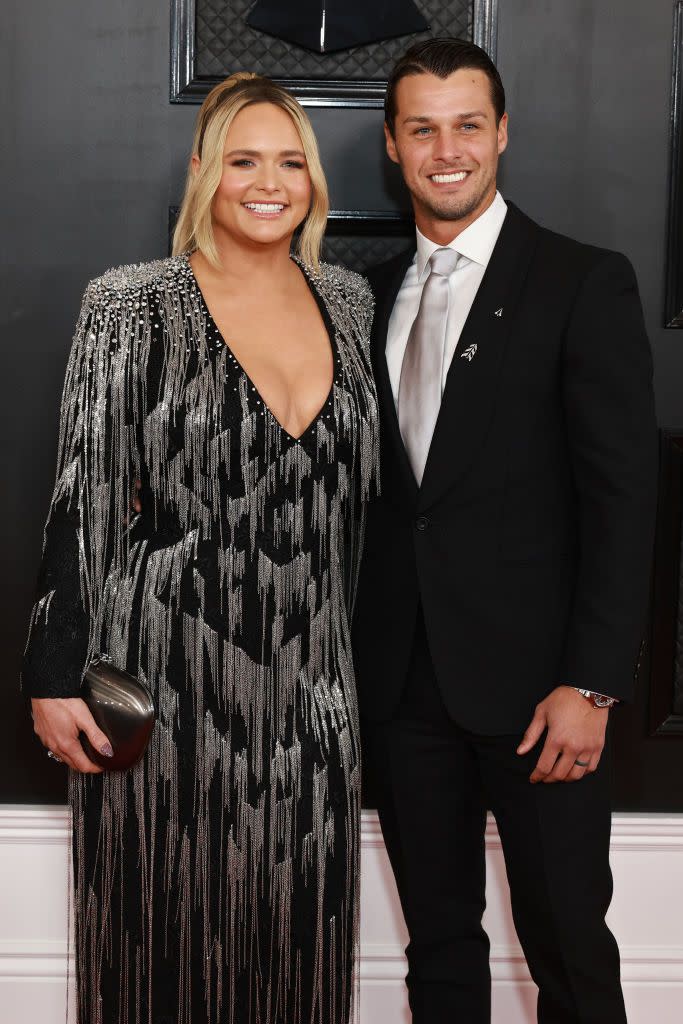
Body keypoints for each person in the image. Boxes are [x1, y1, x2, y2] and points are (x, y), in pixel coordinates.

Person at [23, 72, 378, 1024]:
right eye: (243, 159)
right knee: (164, 937)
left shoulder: (347, 301)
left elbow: (358, 507)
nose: (270, 182)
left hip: (314, 688)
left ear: (312, 179)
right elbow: (83, 493)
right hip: (169, 680)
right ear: (202, 171)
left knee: (302, 942)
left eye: (292, 161)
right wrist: (54, 674)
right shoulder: (131, 304)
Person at [353, 37, 658, 1024]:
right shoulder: (363, 295)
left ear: (502, 134)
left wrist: (592, 681)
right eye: (421, 129)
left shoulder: (581, 281)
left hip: (543, 695)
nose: (447, 151)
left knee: (569, 945)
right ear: (394, 147)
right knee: (436, 948)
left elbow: (624, 502)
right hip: (403, 687)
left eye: (466, 126)